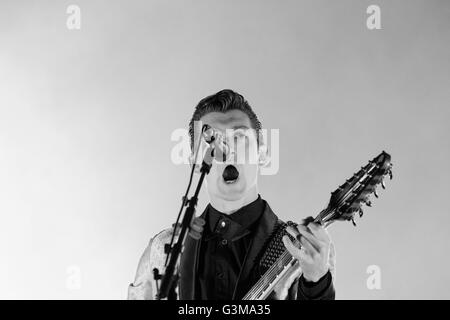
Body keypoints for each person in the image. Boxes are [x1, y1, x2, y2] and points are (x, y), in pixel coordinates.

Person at [128, 89, 336, 300]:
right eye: (211, 140)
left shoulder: (302, 250)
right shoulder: (163, 251)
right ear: (195, 162)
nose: (226, 150)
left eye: (239, 137)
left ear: (262, 153)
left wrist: (317, 282)